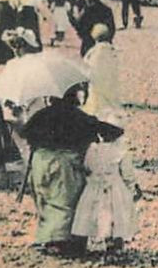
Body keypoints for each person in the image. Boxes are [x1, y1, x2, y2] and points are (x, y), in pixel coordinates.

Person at [23, 86, 121, 255]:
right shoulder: (78, 116)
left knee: (45, 199)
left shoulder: (41, 115)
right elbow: (106, 131)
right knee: (65, 203)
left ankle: (46, 237)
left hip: (40, 161)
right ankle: (62, 241)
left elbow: (27, 134)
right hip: (64, 163)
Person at [69, 107, 139, 253]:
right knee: (116, 214)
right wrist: (132, 188)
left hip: (94, 185)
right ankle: (114, 242)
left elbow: (87, 166)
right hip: (114, 186)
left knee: (89, 213)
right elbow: (127, 174)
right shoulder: (121, 152)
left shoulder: (93, 149)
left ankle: (82, 240)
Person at [82, 23, 121, 115]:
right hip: (110, 84)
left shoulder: (92, 52)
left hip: (95, 84)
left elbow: (86, 68)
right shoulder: (112, 51)